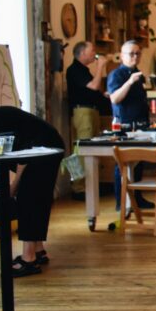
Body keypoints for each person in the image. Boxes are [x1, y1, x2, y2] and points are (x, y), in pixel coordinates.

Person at [0, 107, 63, 277]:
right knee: (39, 197)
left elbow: (23, 159)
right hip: (50, 142)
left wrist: (13, 188)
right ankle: (38, 250)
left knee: (29, 198)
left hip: (42, 147)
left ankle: (28, 260)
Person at [107, 40, 152, 211]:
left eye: (137, 53)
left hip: (141, 124)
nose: (135, 56)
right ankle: (121, 202)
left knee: (139, 163)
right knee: (122, 163)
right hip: (124, 125)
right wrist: (129, 82)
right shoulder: (116, 75)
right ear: (122, 55)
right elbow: (114, 98)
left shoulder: (139, 73)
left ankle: (137, 199)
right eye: (131, 53)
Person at [66, 41, 108, 197]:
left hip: (90, 111)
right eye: (92, 50)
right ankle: (79, 188)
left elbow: (93, 90)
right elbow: (94, 86)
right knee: (82, 150)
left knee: (89, 149)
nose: (95, 53)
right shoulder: (74, 70)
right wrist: (100, 67)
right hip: (83, 112)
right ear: (82, 53)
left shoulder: (83, 70)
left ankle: (89, 185)